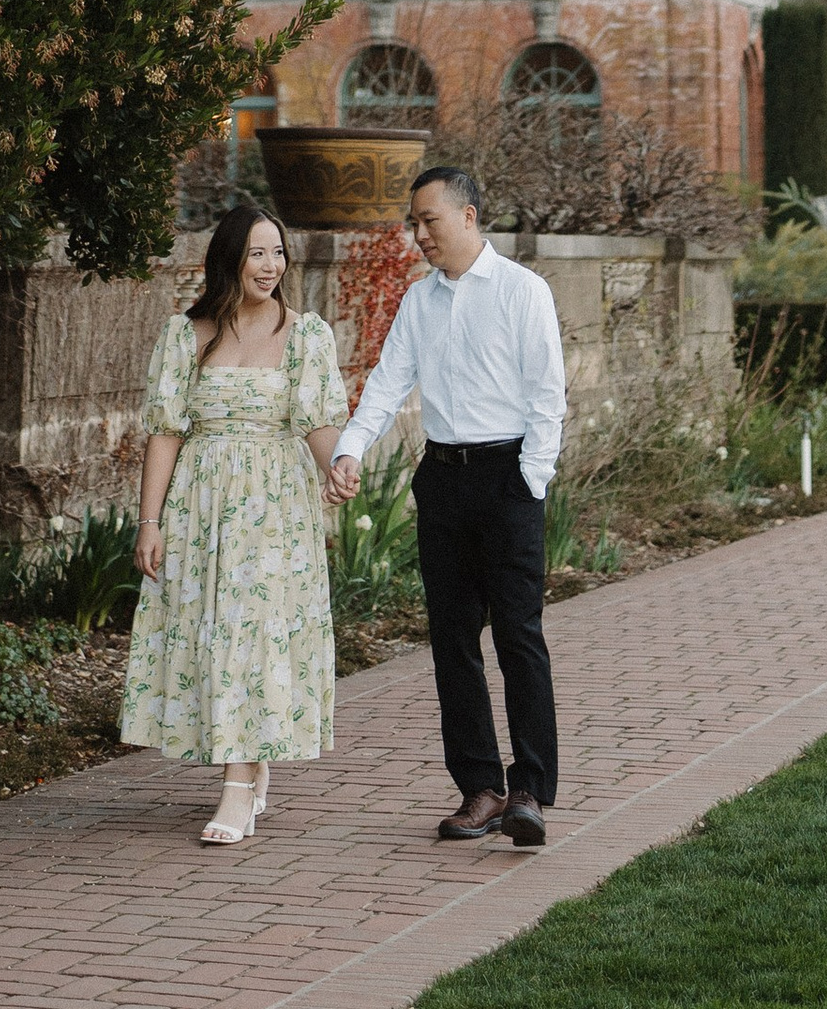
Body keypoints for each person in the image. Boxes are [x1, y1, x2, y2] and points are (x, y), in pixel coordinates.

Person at [329, 162, 566, 847]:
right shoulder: (418, 301)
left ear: (467, 216)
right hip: (442, 478)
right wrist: (350, 449)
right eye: (414, 223)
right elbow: (385, 384)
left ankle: (529, 791)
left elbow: (547, 394)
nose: (418, 234)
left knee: (519, 637)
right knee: (453, 641)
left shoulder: (524, 291)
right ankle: (481, 790)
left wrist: (532, 481)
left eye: (428, 220)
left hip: (507, 477)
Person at [119, 199, 349, 844]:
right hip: (202, 506)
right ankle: (249, 766)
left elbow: (320, 421)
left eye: (278, 252)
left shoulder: (306, 335)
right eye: (257, 252)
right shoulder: (185, 334)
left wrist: (338, 467)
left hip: (276, 509)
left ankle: (238, 787)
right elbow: (164, 432)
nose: (271, 265)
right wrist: (149, 520)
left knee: (256, 637)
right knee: (216, 637)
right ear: (230, 260)